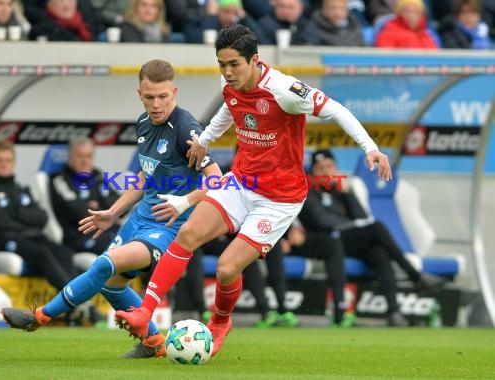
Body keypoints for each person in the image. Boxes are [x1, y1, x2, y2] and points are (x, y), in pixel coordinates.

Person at [116, 24, 391, 356]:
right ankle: (145, 311)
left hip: (279, 199)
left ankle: (219, 322)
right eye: (222, 65)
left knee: (227, 268)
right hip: (241, 181)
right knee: (187, 233)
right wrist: (204, 141)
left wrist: (370, 148)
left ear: (255, 60)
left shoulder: (285, 89)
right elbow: (228, 111)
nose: (228, 72)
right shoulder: (229, 83)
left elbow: (337, 110)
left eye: (234, 64)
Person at [1, 59, 222, 359]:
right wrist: (113, 212)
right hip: (140, 218)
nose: (156, 104)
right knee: (110, 285)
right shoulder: (143, 124)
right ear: (139, 94)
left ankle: (40, 317)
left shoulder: (186, 129)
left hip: (169, 226)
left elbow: (217, 181)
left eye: (163, 97)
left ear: (174, 92)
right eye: (149, 97)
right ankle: (154, 342)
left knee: (104, 265)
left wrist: (183, 202)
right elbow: (146, 176)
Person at [296, 149, 446, 326]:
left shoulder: (340, 189)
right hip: (327, 242)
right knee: (377, 228)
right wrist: (353, 225)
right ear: (313, 172)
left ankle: (394, 312)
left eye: (329, 166)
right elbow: (322, 221)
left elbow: (361, 217)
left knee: (378, 252)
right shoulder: (308, 189)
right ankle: (415, 275)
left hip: (349, 240)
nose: (326, 172)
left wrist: (347, 194)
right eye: (320, 169)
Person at [0, 142, 77, 295]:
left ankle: (77, 300)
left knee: (64, 252)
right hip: (4, 240)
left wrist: (16, 213)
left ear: (13, 163)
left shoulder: (21, 189)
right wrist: (24, 218)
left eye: (8, 160)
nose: (4, 164)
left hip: (33, 237)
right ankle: (74, 301)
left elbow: (42, 218)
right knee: (41, 253)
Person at [50, 137, 121, 255]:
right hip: (79, 238)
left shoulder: (97, 176)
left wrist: (95, 208)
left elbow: (120, 207)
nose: (85, 161)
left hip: (108, 232)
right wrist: (102, 209)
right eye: (80, 156)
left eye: (89, 156)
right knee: (119, 246)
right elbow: (80, 212)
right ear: (70, 157)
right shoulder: (60, 180)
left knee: (141, 241)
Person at [183, 0, 267, 44]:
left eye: (235, 13)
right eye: (226, 12)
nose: (230, 17)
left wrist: (245, 17)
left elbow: (262, 42)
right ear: (218, 12)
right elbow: (198, 41)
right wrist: (212, 17)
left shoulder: (239, 27)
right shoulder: (195, 21)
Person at [374, 0, 440, 49]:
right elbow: (384, 58)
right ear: (400, 13)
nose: (411, 15)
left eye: (415, 11)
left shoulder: (426, 34)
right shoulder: (389, 32)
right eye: (407, 11)